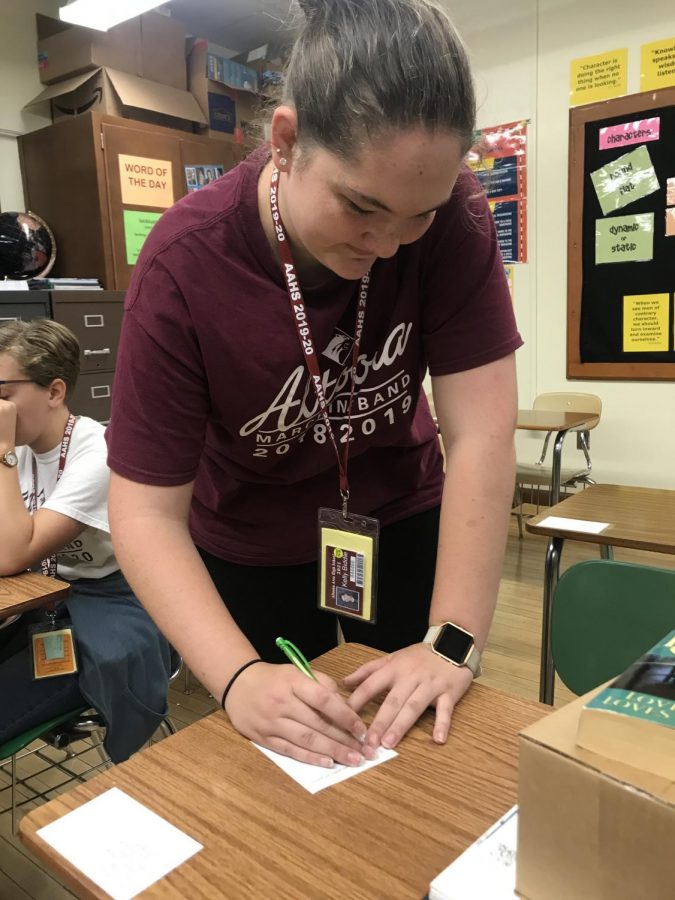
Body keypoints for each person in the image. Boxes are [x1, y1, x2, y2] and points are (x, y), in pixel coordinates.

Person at [106, 0, 521, 769]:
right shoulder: (185, 263)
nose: (387, 244)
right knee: (288, 756)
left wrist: (453, 643)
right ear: (287, 142)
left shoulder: (456, 215)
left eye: (416, 216)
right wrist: (235, 680)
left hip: (400, 517)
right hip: (250, 543)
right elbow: (142, 511)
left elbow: (481, 434)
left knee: (423, 740)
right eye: (361, 207)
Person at [0, 319, 173, 762]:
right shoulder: (17, 446)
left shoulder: (98, 452)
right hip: (42, 600)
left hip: (115, 605)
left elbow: (11, 553)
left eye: (2, 395)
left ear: (54, 392)